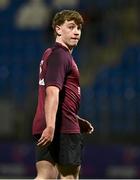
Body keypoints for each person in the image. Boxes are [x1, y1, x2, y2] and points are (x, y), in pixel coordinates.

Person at [32, 9, 94, 179]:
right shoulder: (62, 56)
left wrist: (75, 118)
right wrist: (52, 126)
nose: (76, 32)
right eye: (71, 27)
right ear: (58, 29)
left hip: (48, 124)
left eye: (79, 28)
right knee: (69, 177)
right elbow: (52, 92)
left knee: (45, 176)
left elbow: (51, 93)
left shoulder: (49, 53)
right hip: (62, 128)